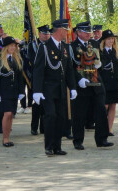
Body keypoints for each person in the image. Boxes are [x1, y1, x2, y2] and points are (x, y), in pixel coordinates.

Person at [33, 19, 77, 156]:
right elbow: (38, 70)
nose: (67, 33)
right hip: (48, 89)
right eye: (66, 30)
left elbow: (68, 69)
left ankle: (57, 147)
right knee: (50, 116)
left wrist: (73, 87)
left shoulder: (64, 47)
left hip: (61, 89)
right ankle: (49, 146)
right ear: (60, 30)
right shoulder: (45, 47)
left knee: (60, 117)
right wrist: (37, 91)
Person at [70, 21, 113, 150]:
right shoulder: (72, 47)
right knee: (80, 114)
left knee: (101, 111)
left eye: (89, 31)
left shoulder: (94, 44)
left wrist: (99, 64)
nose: (88, 34)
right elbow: (71, 67)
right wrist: (78, 79)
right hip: (82, 85)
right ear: (78, 32)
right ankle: (78, 140)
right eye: (85, 31)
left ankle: (102, 139)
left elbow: (103, 58)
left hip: (96, 83)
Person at [0, 36, 25, 147]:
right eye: (11, 45)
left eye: (14, 46)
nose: (13, 48)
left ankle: (8, 137)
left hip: (13, 91)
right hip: (3, 91)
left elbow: (20, 77)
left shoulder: (17, 59)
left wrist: (21, 91)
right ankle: (5, 139)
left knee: (11, 115)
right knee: (7, 114)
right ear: (5, 47)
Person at [99, 30, 118, 136]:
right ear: (104, 40)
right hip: (104, 83)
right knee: (104, 106)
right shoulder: (100, 52)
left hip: (115, 82)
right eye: (108, 39)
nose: (111, 41)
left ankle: (110, 128)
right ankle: (102, 126)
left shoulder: (117, 52)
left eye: (112, 39)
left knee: (113, 106)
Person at [28, 24, 50, 135]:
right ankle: (34, 127)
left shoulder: (50, 45)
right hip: (36, 78)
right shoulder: (33, 45)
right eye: (44, 33)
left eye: (48, 33)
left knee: (46, 104)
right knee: (36, 104)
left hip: (48, 79)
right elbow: (32, 60)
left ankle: (44, 127)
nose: (46, 36)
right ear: (40, 33)